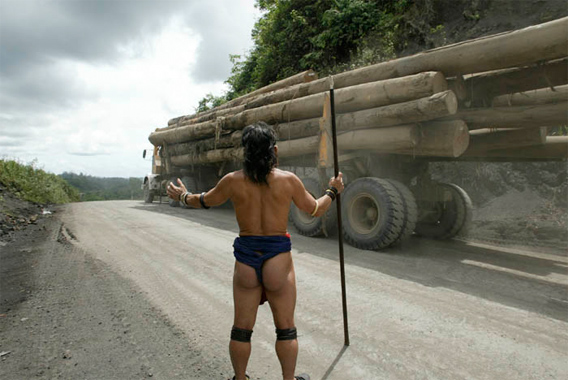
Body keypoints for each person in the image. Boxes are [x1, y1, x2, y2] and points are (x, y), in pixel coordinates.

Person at [167, 121, 344, 380]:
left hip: (247, 260)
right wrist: (333, 190)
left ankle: (240, 378)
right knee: (286, 329)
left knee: (241, 329)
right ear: (274, 151)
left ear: (245, 152)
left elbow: (203, 201)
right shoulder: (288, 180)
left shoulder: (232, 181)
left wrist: (182, 196)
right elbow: (315, 208)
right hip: (278, 261)